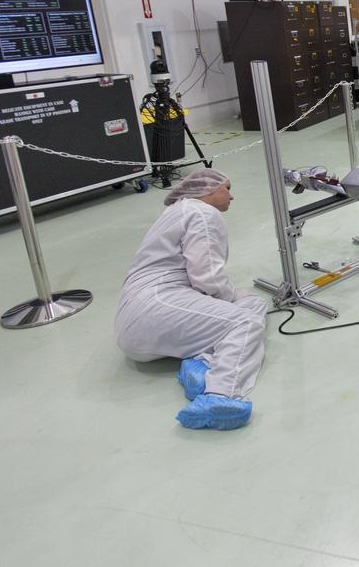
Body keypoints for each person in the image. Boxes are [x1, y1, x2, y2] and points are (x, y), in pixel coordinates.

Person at [114, 169, 268, 431]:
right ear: (207, 190)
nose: (232, 196)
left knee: (255, 303)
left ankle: (200, 367)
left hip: (141, 314)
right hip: (158, 306)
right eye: (226, 188)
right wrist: (229, 301)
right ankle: (220, 395)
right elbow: (207, 277)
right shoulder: (203, 213)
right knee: (246, 322)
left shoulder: (178, 211)